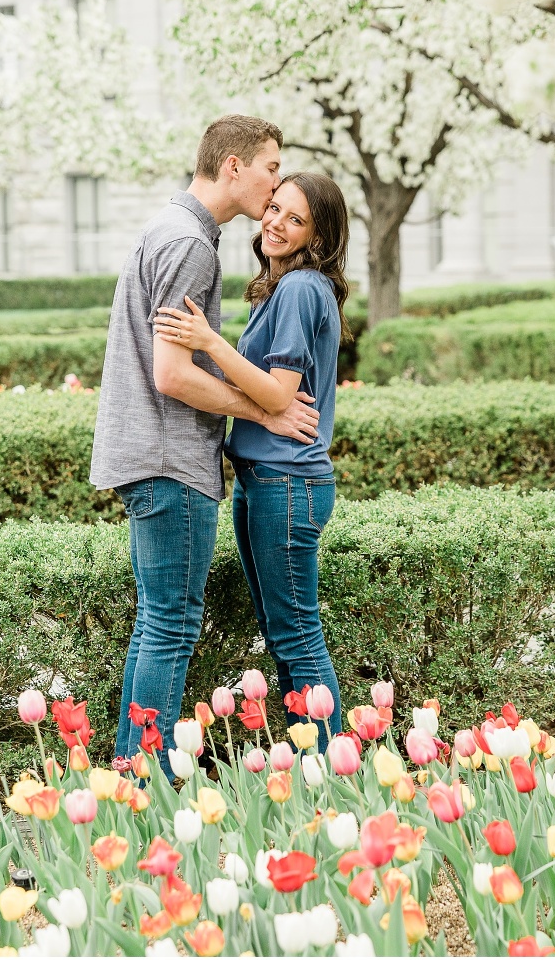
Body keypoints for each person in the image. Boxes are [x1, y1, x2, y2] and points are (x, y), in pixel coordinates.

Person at [90, 117, 321, 775]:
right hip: (169, 461)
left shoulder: (171, 227)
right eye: (271, 167)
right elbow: (171, 373)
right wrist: (264, 412)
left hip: (150, 458)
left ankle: (133, 776)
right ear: (233, 167)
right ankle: (150, 781)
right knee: (170, 628)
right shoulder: (191, 242)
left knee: (157, 624)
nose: (277, 181)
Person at [154, 172, 349, 751]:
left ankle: (336, 766)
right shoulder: (284, 288)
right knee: (285, 633)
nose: (275, 224)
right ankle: (311, 756)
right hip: (265, 479)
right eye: (275, 209)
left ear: (320, 235)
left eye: (295, 219)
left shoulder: (300, 289)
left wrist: (209, 342)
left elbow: (277, 395)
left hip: (287, 481)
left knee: (297, 635)